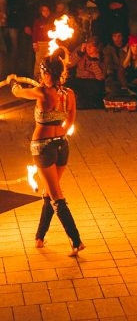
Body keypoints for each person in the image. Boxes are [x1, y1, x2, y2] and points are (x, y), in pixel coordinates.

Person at [7, 53, 84, 256]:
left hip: (43, 148)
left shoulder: (41, 92)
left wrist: (12, 81)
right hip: (62, 146)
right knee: (49, 193)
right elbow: (69, 122)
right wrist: (57, 133)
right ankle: (40, 237)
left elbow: (18, 92)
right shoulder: (69, 94)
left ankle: (76, 240)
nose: (40, 75)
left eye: (42, 72)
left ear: (48, 73)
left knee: (57, 196)